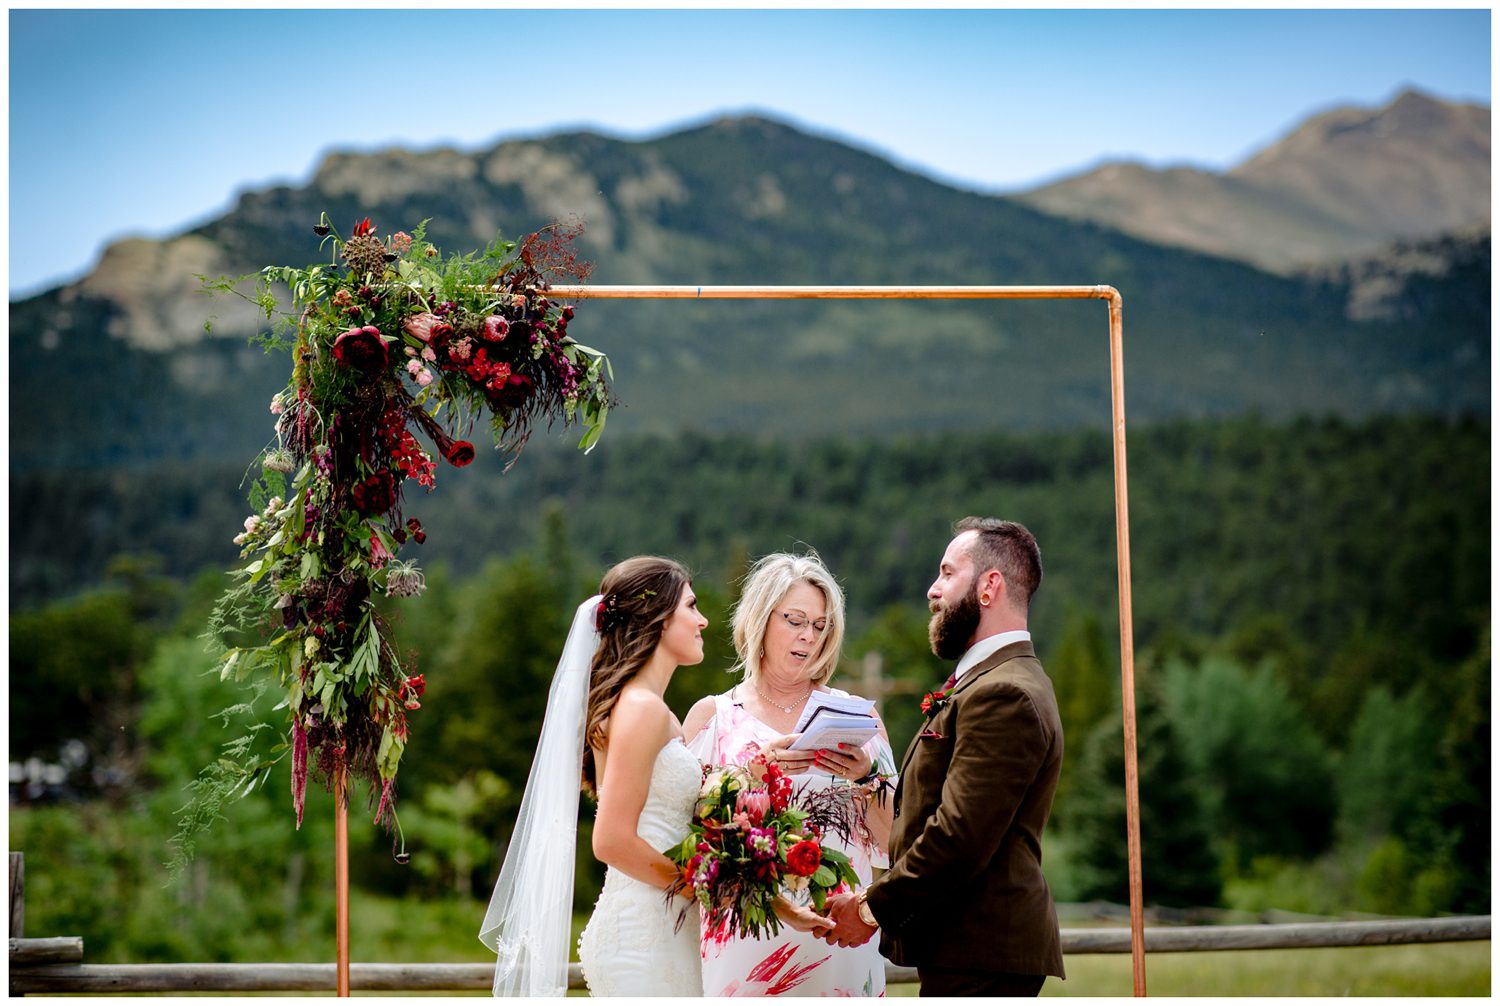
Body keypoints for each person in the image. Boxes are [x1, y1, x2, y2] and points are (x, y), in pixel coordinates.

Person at [480, 556, 829, 997]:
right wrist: (704, 888)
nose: (703, 620)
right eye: (691, 606)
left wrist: (748, 780)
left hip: (664, 928)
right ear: (659, 618)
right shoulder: (642, 709)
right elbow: (611, 841)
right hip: (643, 936)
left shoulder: (646, 708)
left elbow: (673, 820)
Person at [818, 517, 1066, 997]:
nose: (933, 589)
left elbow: (959, 836)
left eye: (948, 573)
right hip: (969, 950)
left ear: (989, 586)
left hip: (982, 952)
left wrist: (870, 908)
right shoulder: (993, 680)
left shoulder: (1005, 694)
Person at [684, 551, 897, 997]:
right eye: (795, 621)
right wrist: (751, 776)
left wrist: (867, 777)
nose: (808, 636)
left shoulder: (859, 719)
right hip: (745, 943)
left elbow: (897, 844)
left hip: (839, 941)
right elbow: (688, 847)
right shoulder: (714, 719)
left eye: (820, 626)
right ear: (760, 619)